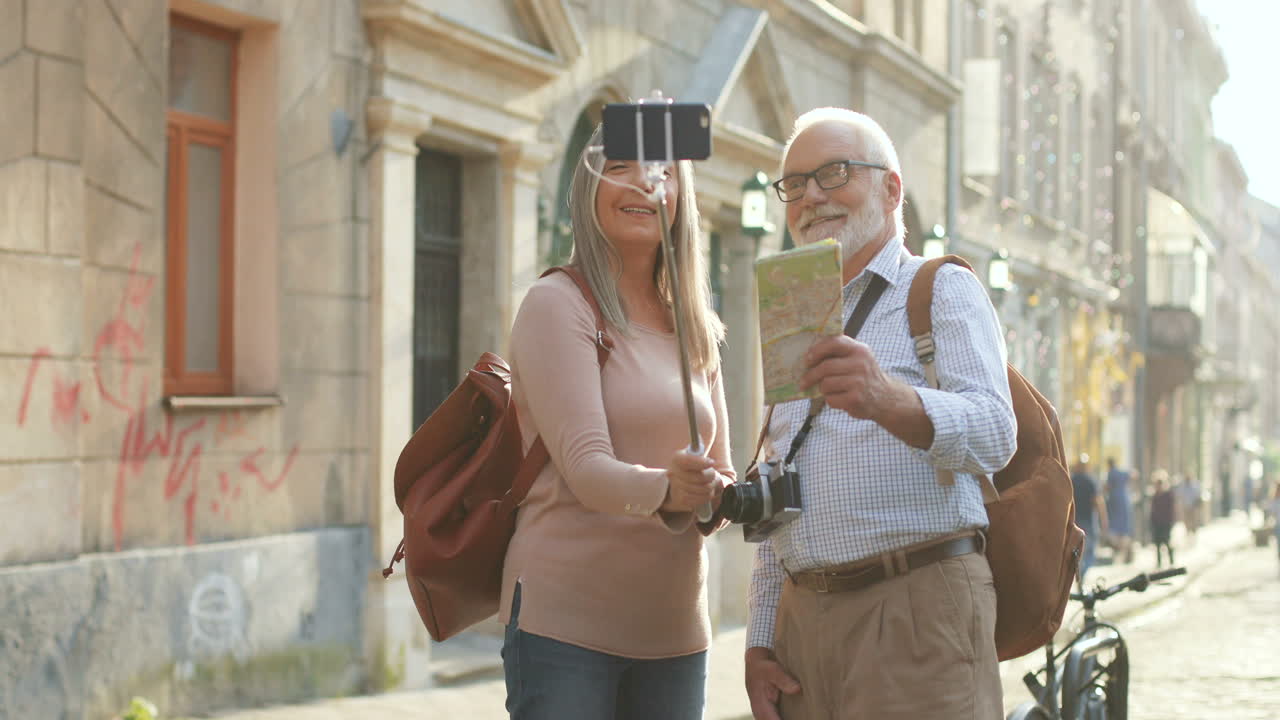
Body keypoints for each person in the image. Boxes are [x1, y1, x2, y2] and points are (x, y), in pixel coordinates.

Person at [743, 108, 1017, 720]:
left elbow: (998, 434)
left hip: (915, 605)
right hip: (803, 623)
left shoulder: (939, 287)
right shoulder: (793, 313)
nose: (811, 196)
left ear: (891, 188)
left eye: (834, 173)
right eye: (794, 184)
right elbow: (779, 483)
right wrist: (761, 639)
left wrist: (890, 399)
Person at [500, 125, 734, 720]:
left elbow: (720, 481)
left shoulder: (694, 323)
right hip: (566, 631)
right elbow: (586, 470)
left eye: (662, 170)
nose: (643, 183)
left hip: (676, 634)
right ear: (589, 185)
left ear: (680, 193)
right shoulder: (558, 303)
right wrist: (669, 487)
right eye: (622, 165)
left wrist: (730, 494)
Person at [1071, 454, 1108, 580]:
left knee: (1075, 549)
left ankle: (1078, 570)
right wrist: (1104, 521)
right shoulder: (1091, 481)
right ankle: (1082, 571)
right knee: (1090, 551)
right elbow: (1098, 501)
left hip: (1074, 520)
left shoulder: (1071, 480)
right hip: (1088, 521)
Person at [1105, 457, 1134, 563]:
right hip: (1124, 500)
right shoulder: (1121, 473)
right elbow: (1133, 475)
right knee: (1124, 528)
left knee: (1115, 528)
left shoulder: (1111, 473)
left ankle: (1120, 552)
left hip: (1114, 501)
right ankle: (1126, 552)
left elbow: (1107, 487)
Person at [1150, 470, 1177, 568]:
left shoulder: (1168, 495)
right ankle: (1159, 563)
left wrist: (1171, 521)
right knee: (1157, 544)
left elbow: (1172, 509)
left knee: (1166, 541)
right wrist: (1152, 521)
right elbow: (1153, 510)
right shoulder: (1155, 496)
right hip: (1157, 523)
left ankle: (1171, 561)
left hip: (1166, 522)